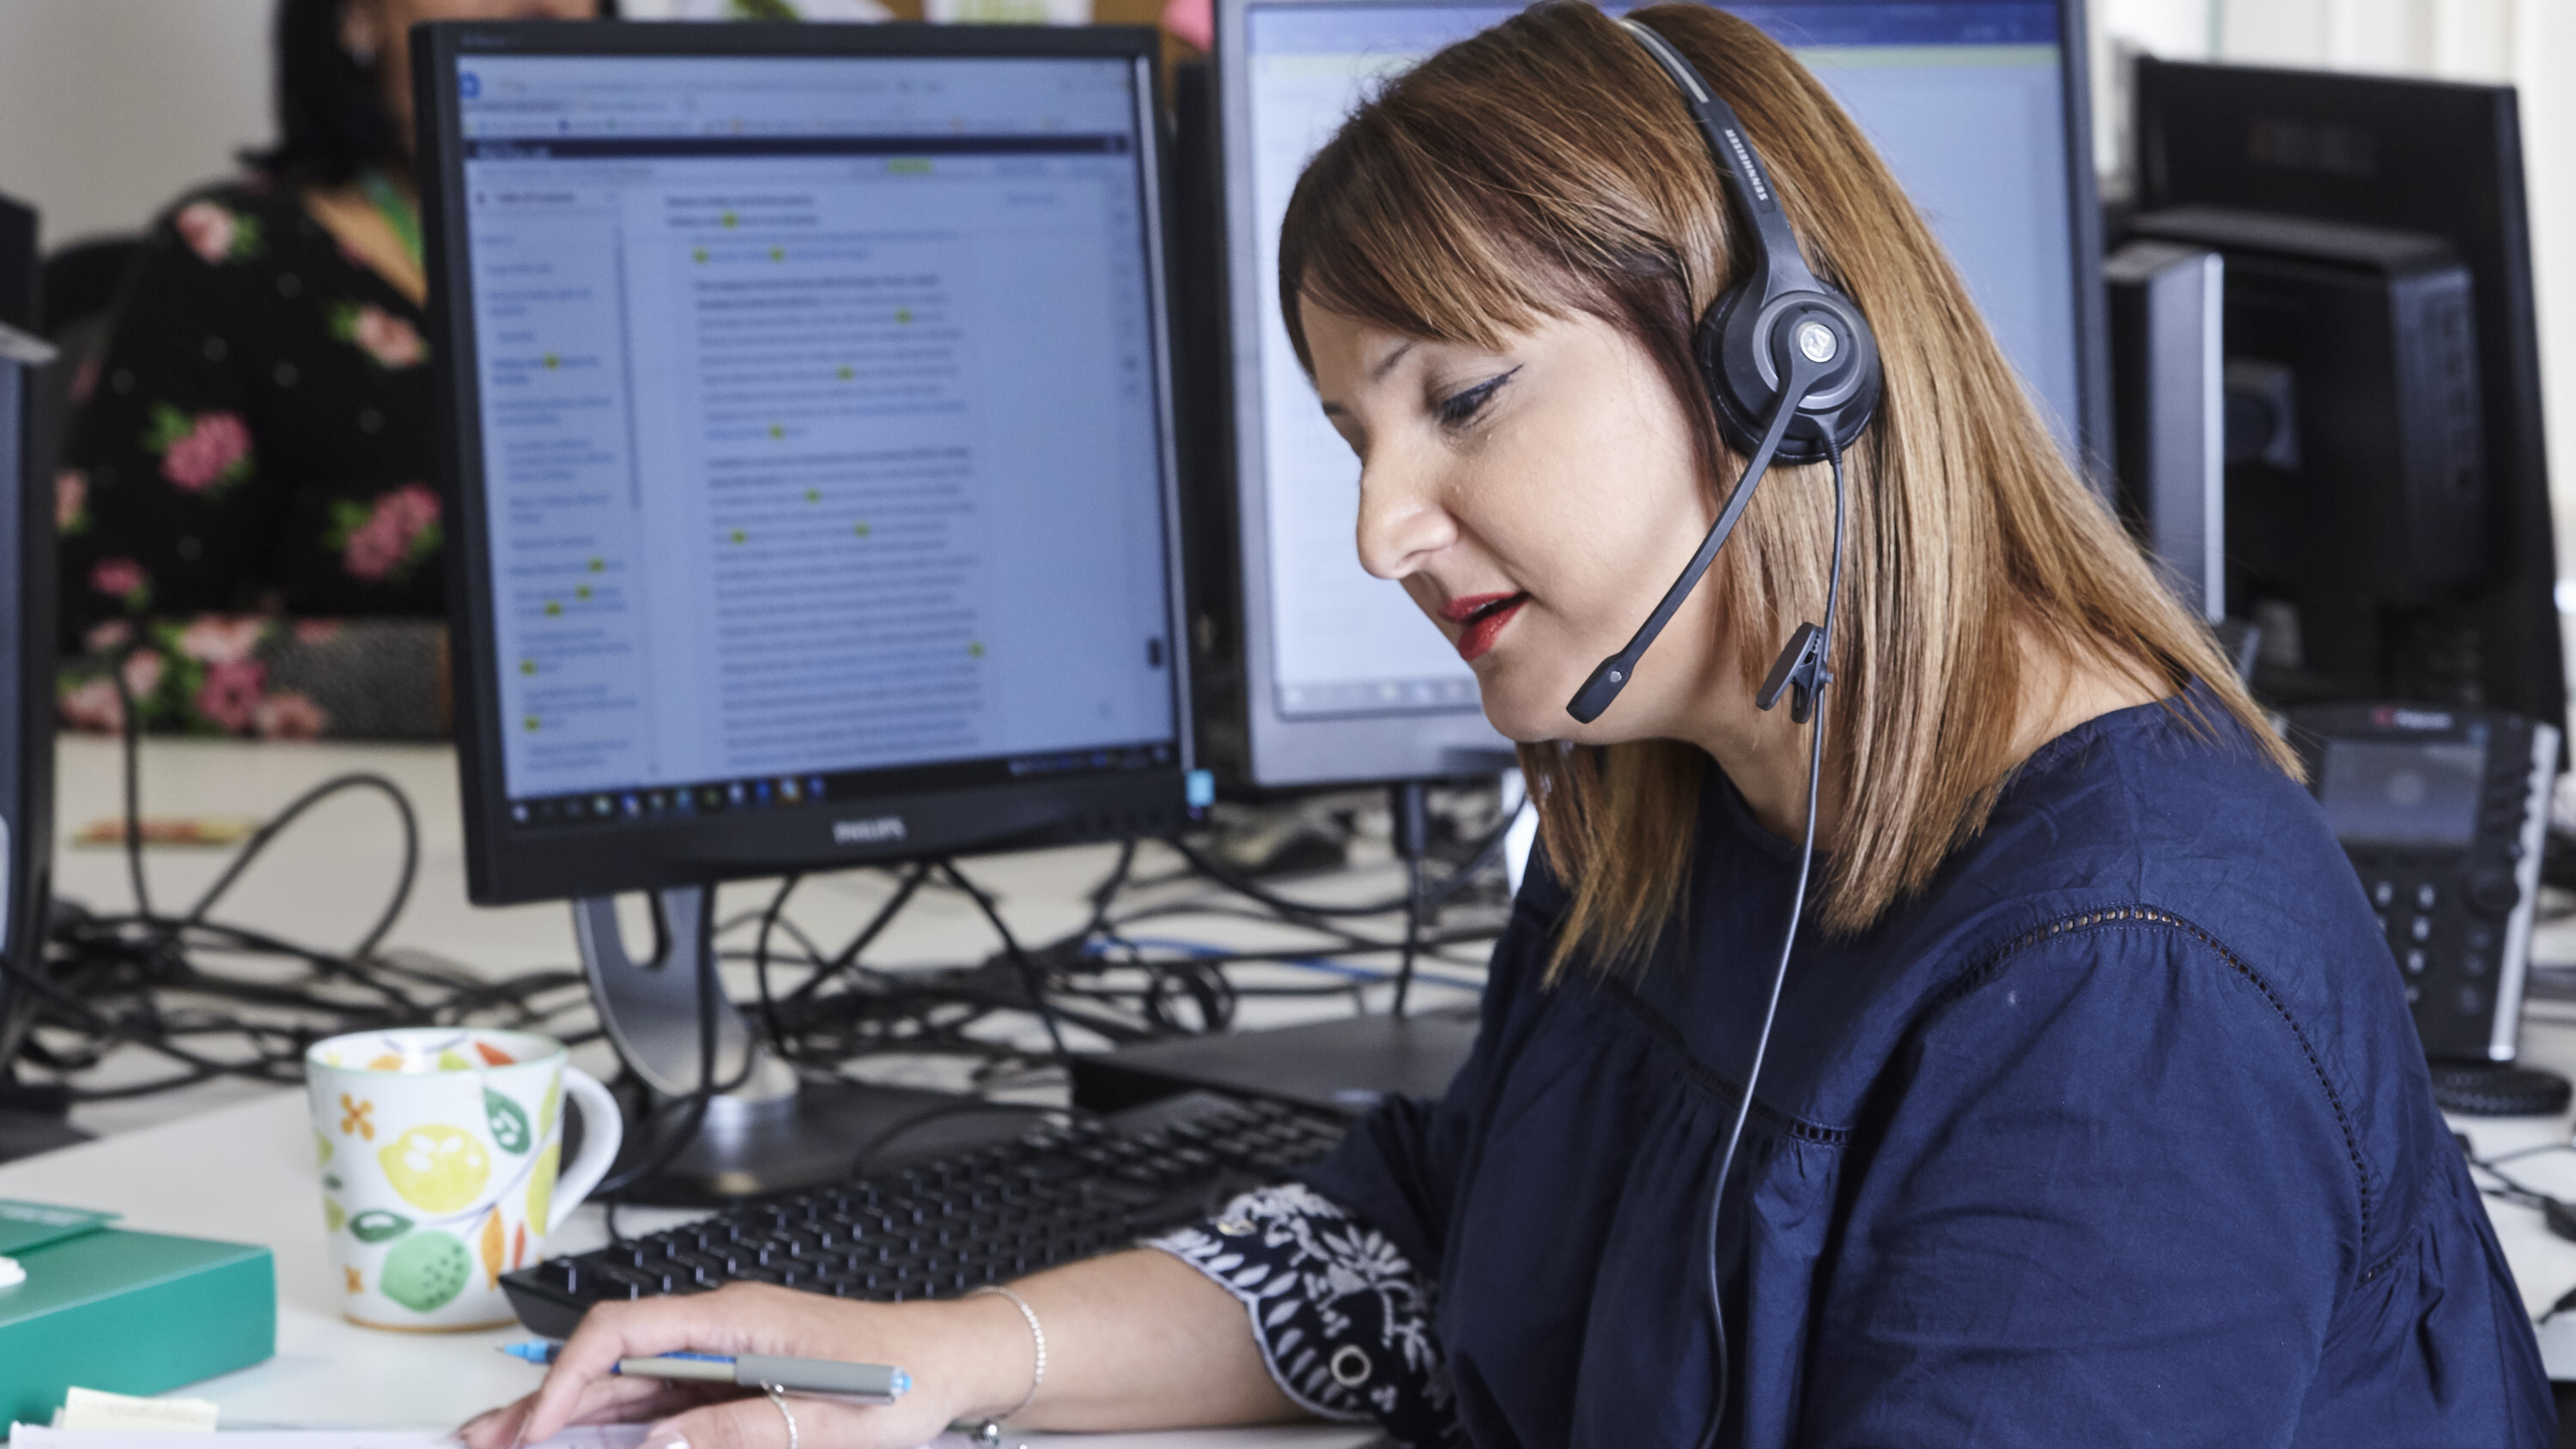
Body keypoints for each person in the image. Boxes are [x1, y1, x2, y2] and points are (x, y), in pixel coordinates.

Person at [458, 6, 2554, 1446]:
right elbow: (1431, 1230)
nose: (1383, 524)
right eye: (1351, 431)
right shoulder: (1679, 789)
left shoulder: (2119, 992)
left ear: (1775, 369)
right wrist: (925, 1360)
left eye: (1458, 398)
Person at [54, 0, 599, 741]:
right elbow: (89, 658)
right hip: (343, 822)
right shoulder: (229, 260)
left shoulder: (670, 244)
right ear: (357, 14)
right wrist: (440, 681)